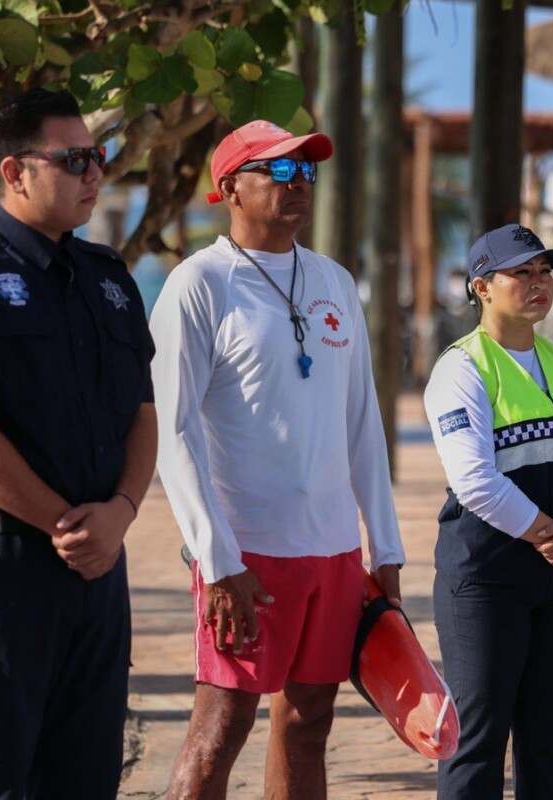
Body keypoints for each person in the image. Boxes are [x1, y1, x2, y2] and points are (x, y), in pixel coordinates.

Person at [0, 88, 157, 799]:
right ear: (14, 173)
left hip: (98, 563)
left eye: (97, 156)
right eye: (74, 158)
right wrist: (66, 525)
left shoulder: (107, 280)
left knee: (85, 774)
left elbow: (140, 415)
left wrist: (122, 513)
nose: (93, 172)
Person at [149, 119, 406, 800]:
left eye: (307, 172)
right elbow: (170, 431)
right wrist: (217, 555)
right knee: (221, 726)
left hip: (331, 553)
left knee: (309, 722)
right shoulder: (198, 285)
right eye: (280, 171)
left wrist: (383, 545)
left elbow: (362, 424)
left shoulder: (335, 281)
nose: (300, 186)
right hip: (245, 555)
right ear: (230, 186)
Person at [423, 223, 553, 799]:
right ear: (481, 286)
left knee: (548, 741)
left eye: (544, 272)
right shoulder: (460, 368)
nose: (538, 283)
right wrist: (550, 535)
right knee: (476, 741)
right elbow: (473, 480)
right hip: (487, 580)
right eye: (521, 273)